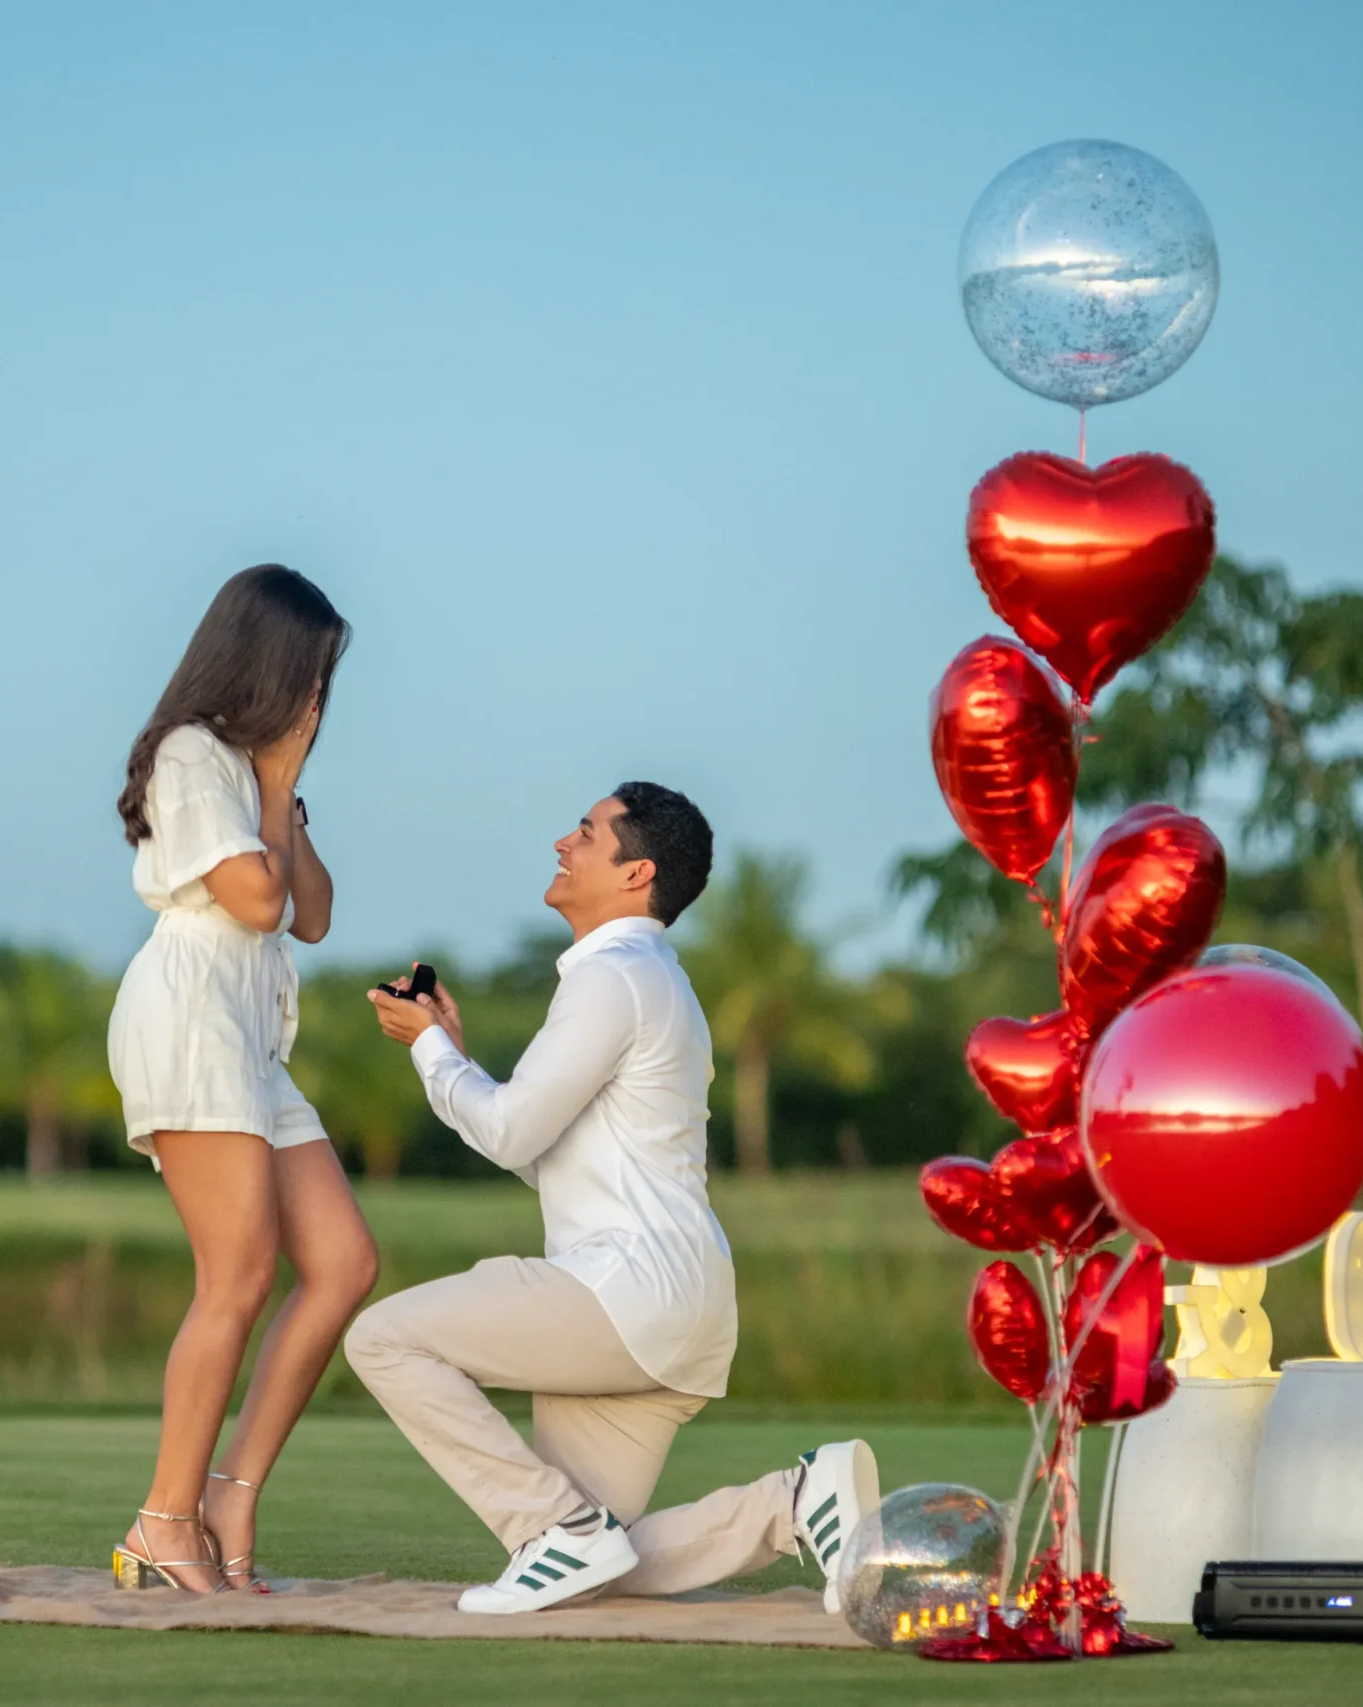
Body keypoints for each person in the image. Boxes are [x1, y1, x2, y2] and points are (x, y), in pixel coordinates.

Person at [348, 783, 881, 1614]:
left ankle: (552, 1531)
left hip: (624, 1290)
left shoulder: (613, 976)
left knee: (382, 1339)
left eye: (588, 832)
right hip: (673, 1301)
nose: (563, 840)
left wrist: (429, 1054)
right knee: (606, 1561)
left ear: (637, 872)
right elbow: (546, 1153)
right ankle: (794, 1502)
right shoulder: (652, 977)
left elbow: (510, 1134)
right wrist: (449, 1051)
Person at [106, 564, 379, 1594]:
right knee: (239, 1277)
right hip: (188, 1014)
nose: (319, 697)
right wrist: (274, 787)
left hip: (250, 1039)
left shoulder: (257, 768)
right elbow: (255, 902)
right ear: (267, 662)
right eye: (311, 672)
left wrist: (282, 790)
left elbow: (312, 911)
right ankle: (162, 1522)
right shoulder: (189, 757)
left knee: (344, 1261)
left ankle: (230, 1495)